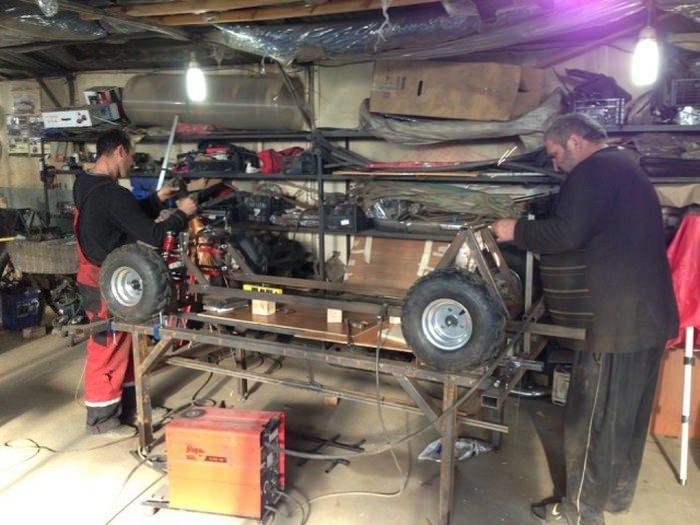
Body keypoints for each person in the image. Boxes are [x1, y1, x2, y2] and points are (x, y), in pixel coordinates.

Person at [491, 114, 678, 525]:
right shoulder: (627, 167)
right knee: (625, 421)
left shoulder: (594, 171)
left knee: (590, 421)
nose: (556, 164)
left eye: (556, 154)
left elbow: (566, 234)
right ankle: (615, 497)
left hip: (614, 324)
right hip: (647, 319)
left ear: (574, 141)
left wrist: (514, 229)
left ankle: (579, 512)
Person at [73, 129, 197, 436]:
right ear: (119, 151)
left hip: (105, 274)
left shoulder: (86, 183)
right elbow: (154, 235)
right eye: (130, 156)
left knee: (125, 342)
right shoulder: (113, 194)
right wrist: (182, 215)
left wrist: (157, 198)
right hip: (104, 280)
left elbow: (124, 215)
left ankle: (129, 406)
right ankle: (101, 420)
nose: (131, 163)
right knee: (107, 346)